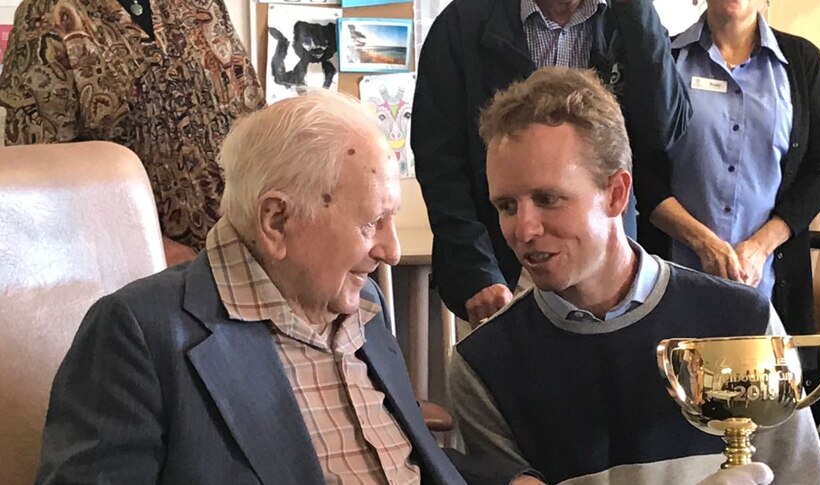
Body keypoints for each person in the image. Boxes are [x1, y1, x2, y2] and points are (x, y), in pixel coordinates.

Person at [34, 91, 533, 485]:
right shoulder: (139, 333)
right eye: (372, 223)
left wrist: (505, 479)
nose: (391, 251)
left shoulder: (361, 301)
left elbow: (392, 454)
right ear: (276, 220)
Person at [449, 67, 820, 485]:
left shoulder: (742, 323)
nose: (524, 229)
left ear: (616, 193)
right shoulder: (484, 366)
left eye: (548, 199)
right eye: (506, 206)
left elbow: (802, 477)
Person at [411, 0, 690, 326]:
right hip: (504, 271)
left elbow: (664, 133)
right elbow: (440, 164)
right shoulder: (464, 22)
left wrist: (636, 13)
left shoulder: (626, 19)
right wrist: (474, 267)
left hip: (606, 269)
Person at [0, 0, 265, 265]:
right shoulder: (47, 14)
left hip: (245, 245)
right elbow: (39, 180)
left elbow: (250, 111)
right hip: (149, 271)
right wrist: (148, 245)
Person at [647, 0, 820, 335]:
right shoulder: (665, 59)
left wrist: (760, 247)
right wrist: (704, 244)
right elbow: (640, 171)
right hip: (674, 283)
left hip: (769, 289)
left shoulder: (802, 61)